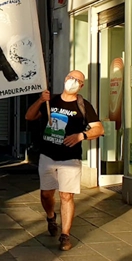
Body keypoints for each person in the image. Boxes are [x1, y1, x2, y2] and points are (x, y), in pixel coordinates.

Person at [25, 70, 104, 251]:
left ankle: (65, 235)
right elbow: (29, 116)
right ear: (64, 78)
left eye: (78, 80)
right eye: (70, 77)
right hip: (47, 156)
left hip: (70, 158)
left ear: (81, 86)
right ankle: (51, 216)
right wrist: (39, 100)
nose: (73, 81)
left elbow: (99, 129)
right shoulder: (50, 100)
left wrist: (81, 136)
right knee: (46, 194)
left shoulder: (83, 105)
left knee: (66, 196)